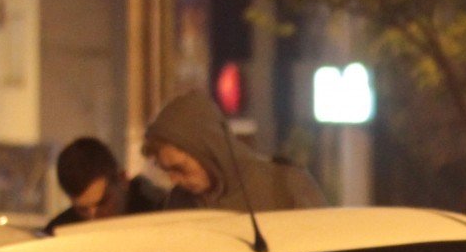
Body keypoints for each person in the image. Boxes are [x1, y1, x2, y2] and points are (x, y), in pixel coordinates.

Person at [142, 90, 325, 214]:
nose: (174, 180)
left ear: (211, 151)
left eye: (180, 168)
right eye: (168, 171)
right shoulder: (179, 204)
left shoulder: (286, 187)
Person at [46, 137, 165, 231]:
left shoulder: (161, 212)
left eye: (103, 202)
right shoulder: (59, 232)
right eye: (83, 209)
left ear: (123, 180)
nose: (94, 218)